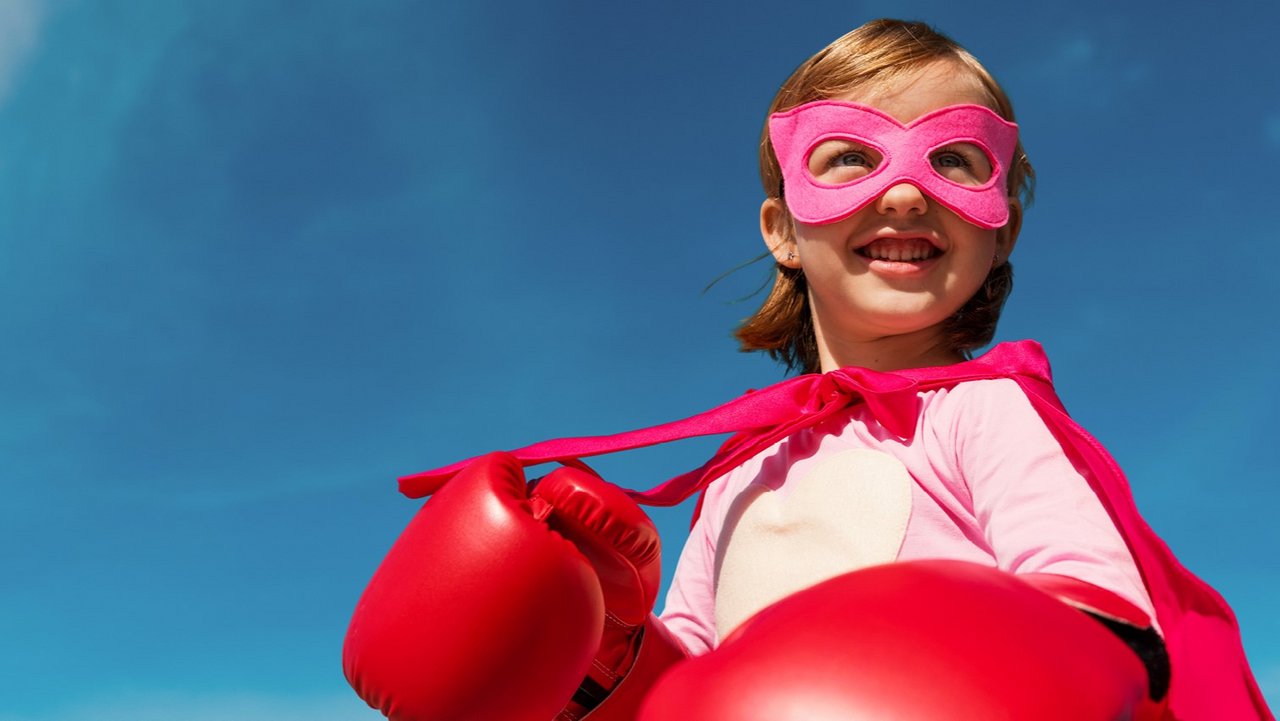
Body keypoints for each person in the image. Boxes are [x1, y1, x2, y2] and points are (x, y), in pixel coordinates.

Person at [344, 18, 1273, 721]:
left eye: (954, 158)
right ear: (783, 230)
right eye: (849, 159)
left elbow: (1103, 622)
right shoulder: (740, 470)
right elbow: (691, 692)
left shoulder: (978, 412)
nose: (905, 188)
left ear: (1000, 230)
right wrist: (611, 647)